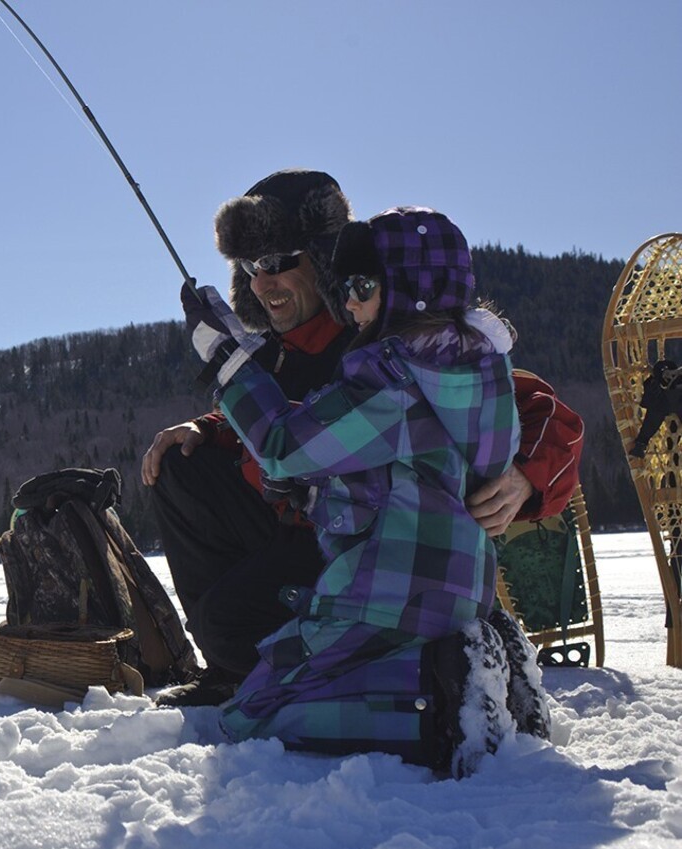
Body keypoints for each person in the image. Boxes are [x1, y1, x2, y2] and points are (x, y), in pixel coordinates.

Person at [141, 170, 583, 706]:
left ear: (324, 261)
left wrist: (523, 477)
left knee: (228, 626)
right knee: (184, 467)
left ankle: (416, 678)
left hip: (376, 554)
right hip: (312, 527)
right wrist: (208, 427)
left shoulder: (389, 339)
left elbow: (534, 408)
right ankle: (233, 665)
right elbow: (285, 425)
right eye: (252, 267)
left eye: (280, 262)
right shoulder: (278, 355)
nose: (263, 282)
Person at [184, 207, 528, 773]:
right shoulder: (480, 375)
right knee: (308, 675)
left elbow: (279, 442)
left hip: (387, 597)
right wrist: (317, 498)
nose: (350, 302)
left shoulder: (393, 377)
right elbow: (410, 480)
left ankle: (436, 703)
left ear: (410, 289)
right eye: (345, 287)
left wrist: (227, 358)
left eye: (364, 286)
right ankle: (490, 682)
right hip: (457, 596)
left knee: (253, 713)